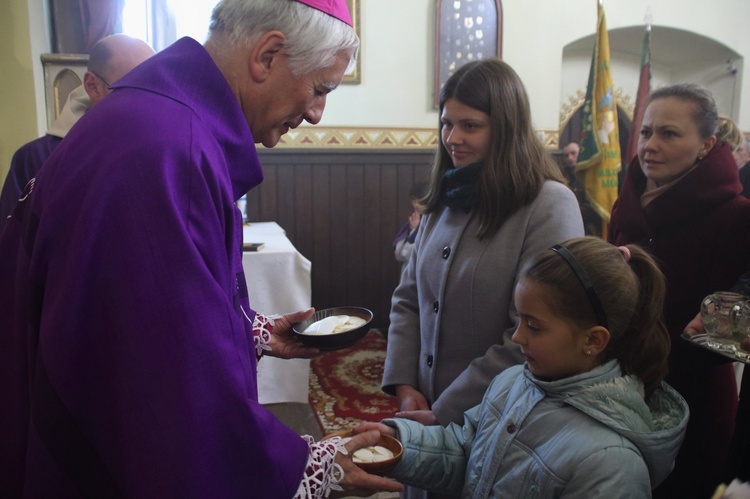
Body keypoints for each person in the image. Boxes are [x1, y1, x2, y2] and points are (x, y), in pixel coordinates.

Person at [0, 1, 403, 497]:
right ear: (268, 55)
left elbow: (132, 317)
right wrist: (303, 466)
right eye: (320, 89)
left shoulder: (152, 117)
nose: (317, 114)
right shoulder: (171, 150)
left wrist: (246, 332)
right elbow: (174, 394)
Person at [381, 58, 584, 498]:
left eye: (470, 126)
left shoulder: (549, 205)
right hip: (424, 418)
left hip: (498, 425)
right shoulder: (444, 199)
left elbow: (528, 337)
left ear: (506, 128)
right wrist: (405, 385)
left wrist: (447, 409)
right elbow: (409, 299)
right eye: (446, 124)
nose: (452, 138)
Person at [361, 238, 689, 497]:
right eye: (519, 320)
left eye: (534, 326)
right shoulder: (513, 382)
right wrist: (395, 444)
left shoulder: (610, 463)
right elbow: (466, 452)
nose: (517, 336)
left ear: (593, 340)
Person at [608, 83, 750, 499]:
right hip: (619, 391)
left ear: (706, 145)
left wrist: (699, 339)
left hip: (695, 401)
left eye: (668, 134)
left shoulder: (738, 217)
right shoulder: (626, 205)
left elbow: (736, 332)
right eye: (646, 132)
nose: (650, 145)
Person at [0, 34, 155, 228]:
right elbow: (12, 248)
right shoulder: (35, 160)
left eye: (156, 90)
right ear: (92, 86)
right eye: (136, 89)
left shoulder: (159, 156)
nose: (150, 104)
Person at [393, 181, 428, 270]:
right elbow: (399, 254)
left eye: (420, 201)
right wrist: (413, 230)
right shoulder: (413, 222)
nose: (416, 205)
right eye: (413, 200)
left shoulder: (433, 224)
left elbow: (408, 254)